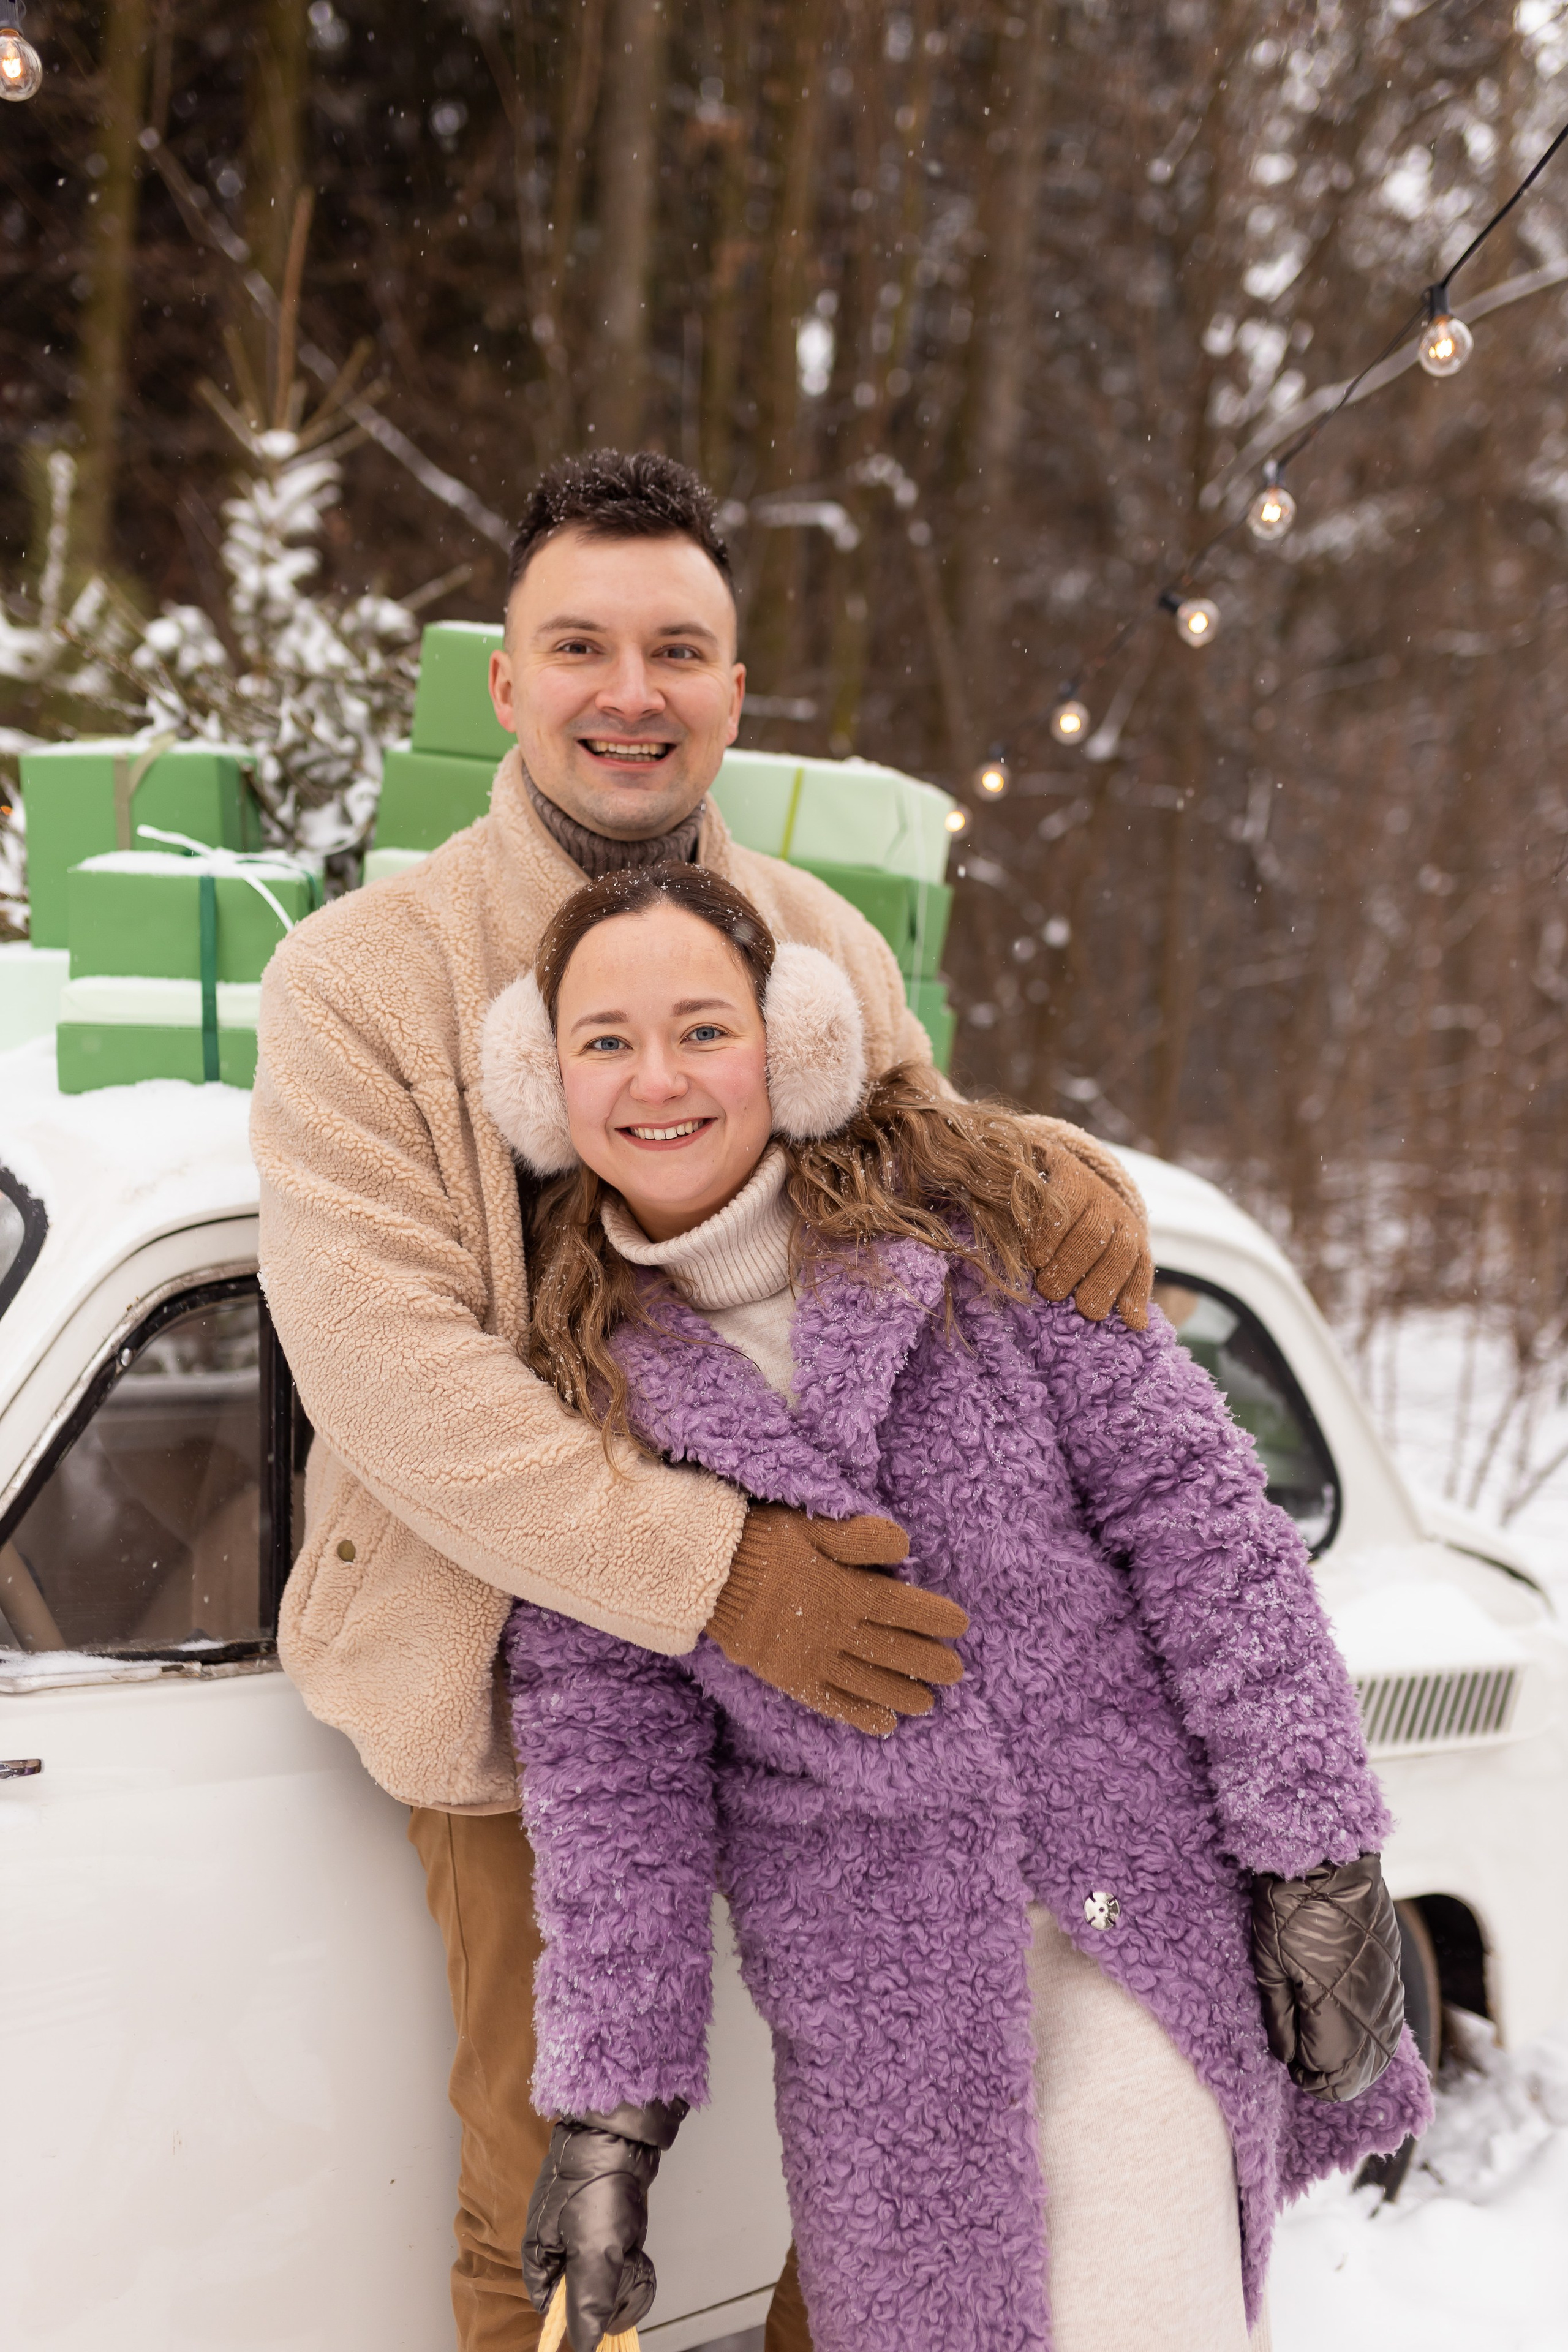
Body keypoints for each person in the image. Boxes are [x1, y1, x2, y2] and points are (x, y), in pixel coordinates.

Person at [252, 449, 1155, 2351]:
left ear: (738, 690)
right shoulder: (363, 984)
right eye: (579, 644)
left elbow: (909, 1185)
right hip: (534, 1678)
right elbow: (389, 1370)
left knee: (899, 2149)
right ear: (505, 680)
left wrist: (1065, 1163)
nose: (630, 689)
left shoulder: (820, 942)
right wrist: (715, 1574)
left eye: (680, 647)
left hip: (857, 1649)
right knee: (556, 2198)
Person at [482, 863, 1433, 2352]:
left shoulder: (985, 1235)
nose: (655, 1079)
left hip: (1130, 1910)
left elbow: (1203, 1528)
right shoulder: (584, 1403)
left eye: (700, 1029)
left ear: (787, 1045)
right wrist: (612, 2117)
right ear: (542, 1088)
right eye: (603, 1041)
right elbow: (614, 1785)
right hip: (882, 2011)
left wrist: (1315, 1862)